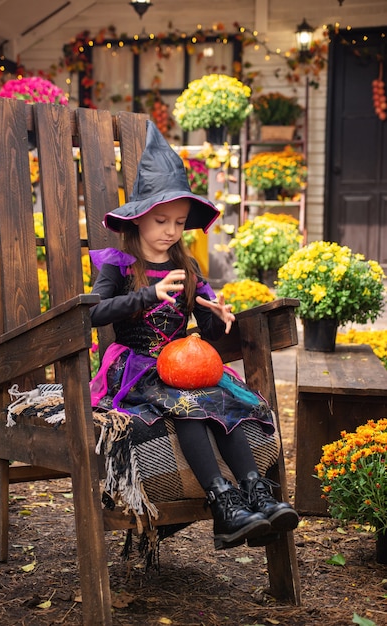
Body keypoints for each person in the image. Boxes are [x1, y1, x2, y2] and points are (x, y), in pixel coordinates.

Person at [89, 121, 299, 551]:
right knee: (189, 406)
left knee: (221, 401)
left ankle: (255, 493)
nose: (170, 230)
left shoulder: (189, 269)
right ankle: (223, 503)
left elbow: (200, 330)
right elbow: (94, 313)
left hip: (181, 362)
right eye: (161, 220)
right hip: (135, 366)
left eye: (179, 222)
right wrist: (146, 294)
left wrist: (217, 318)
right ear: (138, 219)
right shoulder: (118, 264)